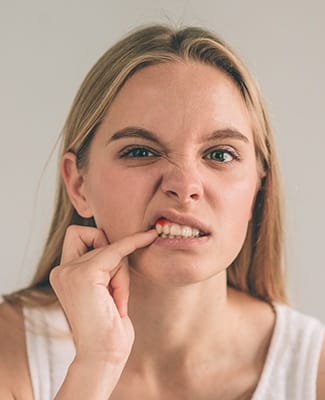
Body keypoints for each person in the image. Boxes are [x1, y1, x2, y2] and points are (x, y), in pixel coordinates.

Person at [0, 23, 324, 400]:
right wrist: (96, 364)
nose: (184, 186)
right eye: (141, 151)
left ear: (258, 187)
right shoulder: (9, 352)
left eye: (220, 154)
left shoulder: (314, 374)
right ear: (78, 185)